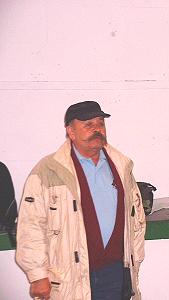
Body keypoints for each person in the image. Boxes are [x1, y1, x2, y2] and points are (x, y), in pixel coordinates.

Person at [16, 101, 146, 300]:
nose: (97, 129)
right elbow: (31, 226)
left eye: (100, 123)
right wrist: (37, 275)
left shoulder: (122, 167)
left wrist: (135, 258)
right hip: (71, 275)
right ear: (71, 131)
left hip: (116, 273)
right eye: (88, 124)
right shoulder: (48, 171)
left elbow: (136, 218)